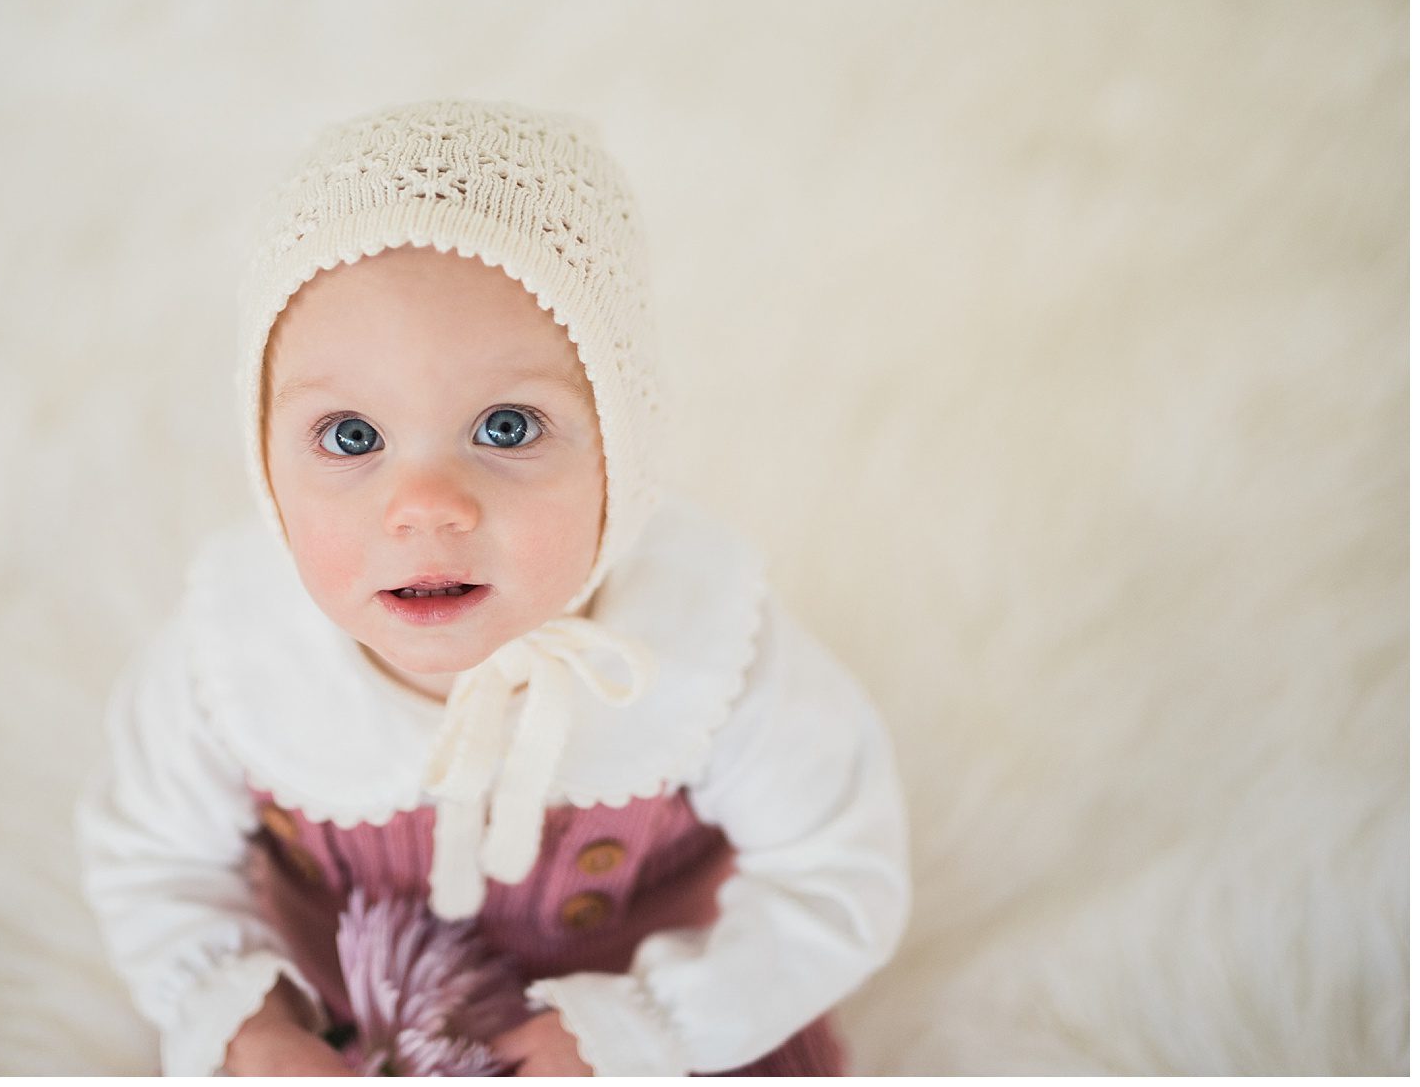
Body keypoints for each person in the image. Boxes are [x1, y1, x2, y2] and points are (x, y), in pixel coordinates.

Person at [74, 98, 911, 1076]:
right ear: (265, 460)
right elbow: (154, 860)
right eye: (351, 436)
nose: (425, 507)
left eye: (506, 427)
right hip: (350, 1027)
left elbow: (838, 872)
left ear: (623, 445)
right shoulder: (234, 656)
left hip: (665, 1028)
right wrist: (247, 1019)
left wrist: (656, 1027)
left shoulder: (707, 646)